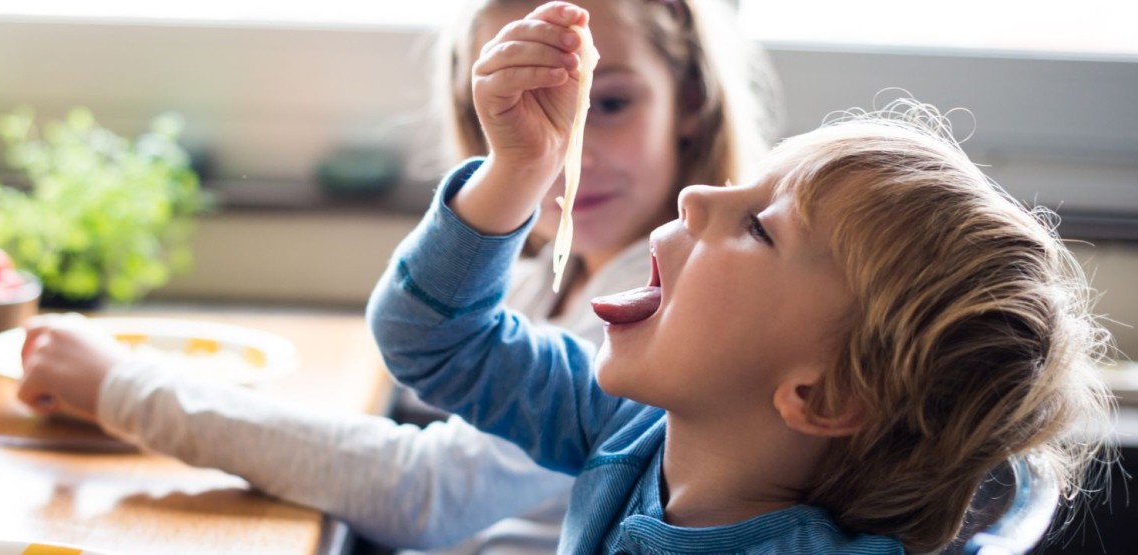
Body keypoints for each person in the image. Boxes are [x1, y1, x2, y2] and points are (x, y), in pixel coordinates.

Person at [16, 0, 776, 552]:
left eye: (608, 103)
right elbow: (428, 348)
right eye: (524, 111)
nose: (572, 146)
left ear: (691, 103)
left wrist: (129, 389)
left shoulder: (670, 321)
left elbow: (427, 492)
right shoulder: (542, 269)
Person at [365, 4, 1113, 553]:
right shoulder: (622, 425)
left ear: (823, 395)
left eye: (760, 225)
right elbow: (434, 338)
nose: (697, 196)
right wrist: (517, 170)